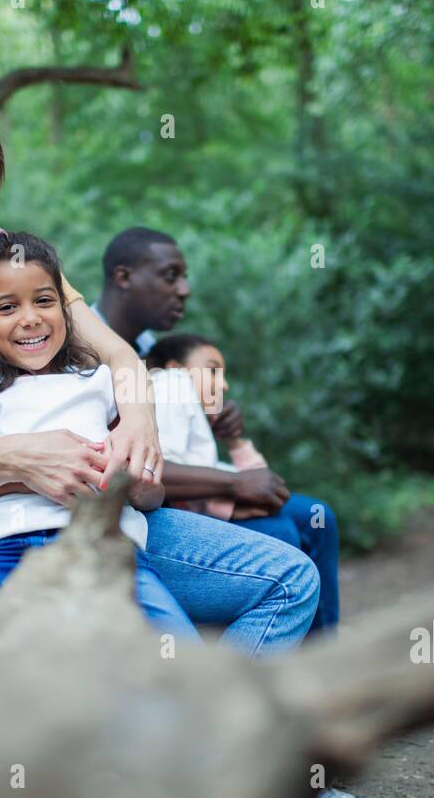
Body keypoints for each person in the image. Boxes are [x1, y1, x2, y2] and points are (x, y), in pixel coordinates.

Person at [0, 78, 371, 798]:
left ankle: (222, 766)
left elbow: (124, 361)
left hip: (99, 500)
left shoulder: (10, 256)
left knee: (288, 578)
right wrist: (25, 458)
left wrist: (137, 433)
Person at [0, 230, 203, 707]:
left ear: (64, 309)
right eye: (6, 308)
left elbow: (152, 493)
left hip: (110, 551)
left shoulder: (100, 382)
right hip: (6, 560)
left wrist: (126, 478)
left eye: (44, 300)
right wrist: (20, 475)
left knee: (185, 666)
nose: (30, 319)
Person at [95, 232, 341, 636]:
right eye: (171, 276)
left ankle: (321, 655)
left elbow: (179, 430)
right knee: (281, 533)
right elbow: (130, 460)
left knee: (318, 519)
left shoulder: (152, 349)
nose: (184, 290)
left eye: (184, 277)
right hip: (136, 510)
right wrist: (234, 484)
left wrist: (219, 419)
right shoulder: (88, 349)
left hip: (183, 494)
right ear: (124, 277)